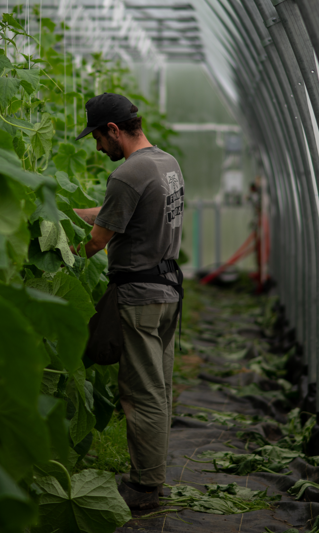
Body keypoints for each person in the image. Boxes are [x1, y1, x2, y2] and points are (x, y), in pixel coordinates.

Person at [69, 93, 185, 511]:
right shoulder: (164, 164)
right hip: (168, 288)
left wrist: (54, 251)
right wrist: (67, 210)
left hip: (139, 296)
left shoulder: (127, 173)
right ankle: (152, 476)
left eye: (98, 137)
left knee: (141, 393)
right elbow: (118, 212)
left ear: (113, 130)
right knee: (161, 387)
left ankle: (144, 486)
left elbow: (97, 243)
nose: (98, 147)